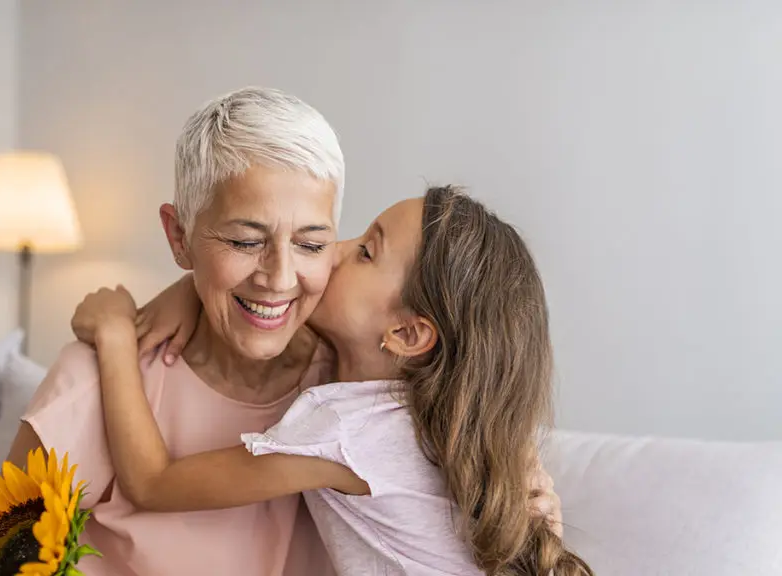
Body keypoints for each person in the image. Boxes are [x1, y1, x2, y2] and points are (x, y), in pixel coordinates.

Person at [11, 86, 560, 576]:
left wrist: (126, 330)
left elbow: (153, 483)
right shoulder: (95, 383)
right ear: (180, 237)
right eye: (245, 242)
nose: (281, 277)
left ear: (408, 335)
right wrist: (173, 300)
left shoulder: (344, 407)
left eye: (316, 244)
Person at [73, 187, 591, 575]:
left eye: (366, 250)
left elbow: (153, 484)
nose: (334, 247)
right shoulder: (425, 406)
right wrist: (191, 288)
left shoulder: (345, 429)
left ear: (407, 333)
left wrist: (116, 336)